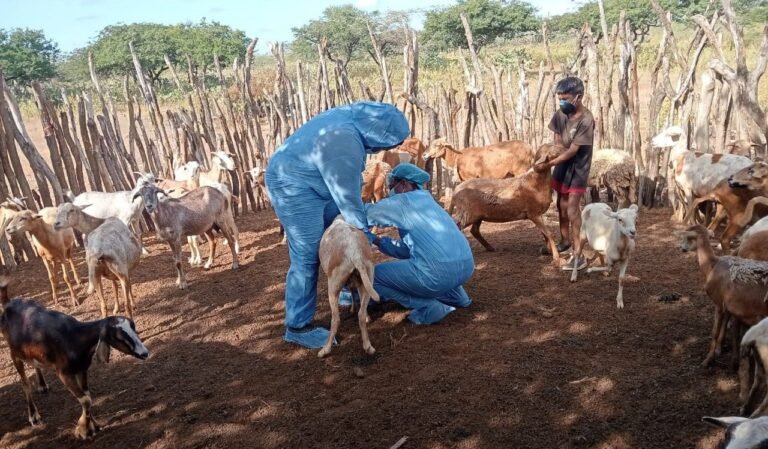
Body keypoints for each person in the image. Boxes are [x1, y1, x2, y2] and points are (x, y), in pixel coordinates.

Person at [265, 101, 410, 349]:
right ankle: (298, 326)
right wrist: (364, 237)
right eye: (387, 143)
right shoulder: (342, 141)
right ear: (380, 133)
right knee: (307, 254)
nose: (383, 149)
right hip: (292, 184)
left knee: (339, 229)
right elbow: (350, 200)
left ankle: (346, 287)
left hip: (317, 179)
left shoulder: (355, 122)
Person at [360, 163, 475, 325]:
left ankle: (428, 307)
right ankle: (459, 298)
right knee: (436, 266)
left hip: (437, 274)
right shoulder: (431, 202)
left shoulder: (403, 201)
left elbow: (362, 215)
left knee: (373, 277)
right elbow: (410, 249)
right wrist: (379, 241)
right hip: (465, 268)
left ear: (405, 185)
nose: (391, 190)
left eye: (393, 186)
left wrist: (343, 205)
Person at [534, 77, 595, 271]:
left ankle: (579, 253)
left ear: (578, 96)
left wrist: (549, 163)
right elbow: (558, 142)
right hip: (562, 165)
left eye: (565, 97)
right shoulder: (561, 114)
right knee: (561, 205)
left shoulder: (586, 119)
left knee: (572, 208)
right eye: (559, 97)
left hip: (578, 168)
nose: (562, 101)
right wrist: (549, 157)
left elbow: (572, 151)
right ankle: (565, 241)